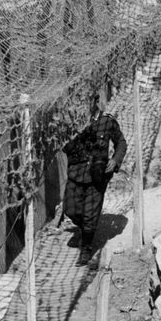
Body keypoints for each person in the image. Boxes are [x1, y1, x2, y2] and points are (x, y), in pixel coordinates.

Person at [62, 94, 127, 265]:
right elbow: (64, 147)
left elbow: (121, 142)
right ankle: (85, 231)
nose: (82, 106)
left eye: (86, 102)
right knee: (70, 210)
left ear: (95, 103)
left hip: (97, 176)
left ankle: (86, 248)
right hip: (76, 174)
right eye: (79, 103)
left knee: (90, 215)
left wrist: (115, 160)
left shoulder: (107, 122)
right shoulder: (73, 125)